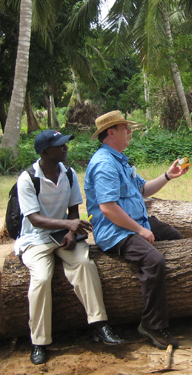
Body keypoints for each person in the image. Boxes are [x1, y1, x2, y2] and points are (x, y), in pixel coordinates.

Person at [15, 130, 124, 366]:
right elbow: (34, 219)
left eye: (65, 144)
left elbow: (74, 208)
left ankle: (99, 324)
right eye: (60, 145)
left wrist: (71, 233)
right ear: (44, 152)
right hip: (35, 238)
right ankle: (39, 342)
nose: (65, 148)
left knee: (84, 264)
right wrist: (69, 224)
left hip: (63, 235)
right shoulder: (27, 178)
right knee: (42, 279)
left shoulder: (70, 173)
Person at [84, 110, 188, 350]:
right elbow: (108, 209)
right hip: (116, 230)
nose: (129, 132)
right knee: (154, 261)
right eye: (125, 128)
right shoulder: (103, 164)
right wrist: (140, 231)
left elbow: (142, 190)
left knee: (175, 238)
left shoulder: (120, 159)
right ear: (111, 132)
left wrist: (167, 176)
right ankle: (152, 325)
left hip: (135, 221)